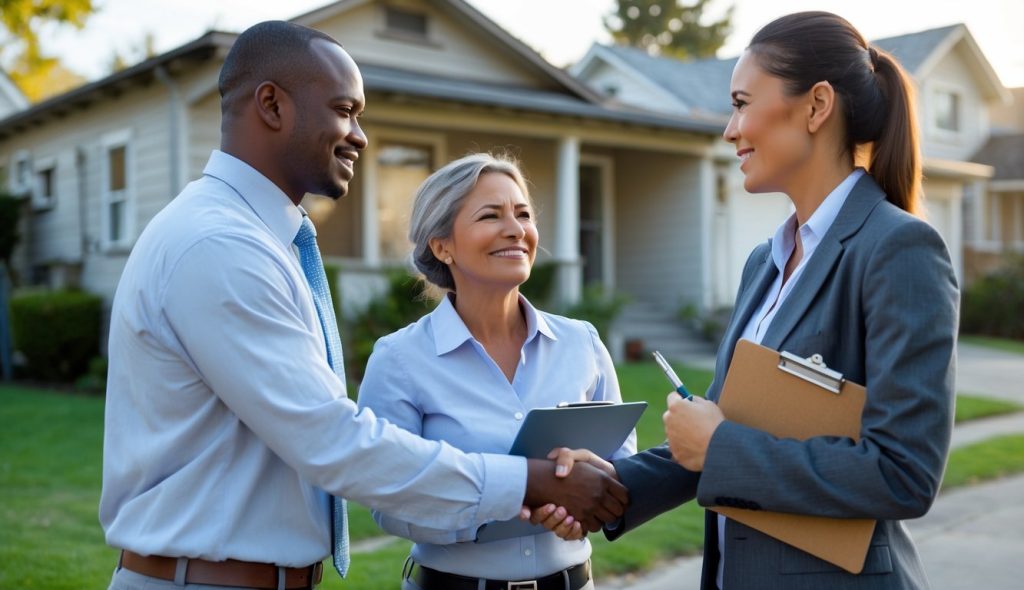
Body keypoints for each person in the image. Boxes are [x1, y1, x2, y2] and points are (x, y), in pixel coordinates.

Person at [99, 21, 626, 590]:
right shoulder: (220, 245)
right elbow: (331, 438)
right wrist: (529, 483)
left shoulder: (257, 239)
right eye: (345, 110)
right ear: (272, 105)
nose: (360, 136)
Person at [543, 11, 959, 590]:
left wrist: (718, 445)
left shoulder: (898, 250)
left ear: (816, 106)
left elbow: (903, 472)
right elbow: (726, 426)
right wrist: (609, 487)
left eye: (741, 103)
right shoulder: (765, 262)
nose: (729, 129)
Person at [356, 153, 636, 590]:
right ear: (441, 245)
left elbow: (622, 466)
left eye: (523, 214)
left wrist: (584, 503)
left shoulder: (582, 343)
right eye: (491, 215)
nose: (516, 229)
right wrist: (514, 499)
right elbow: (388, 500)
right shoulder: (399, 360)